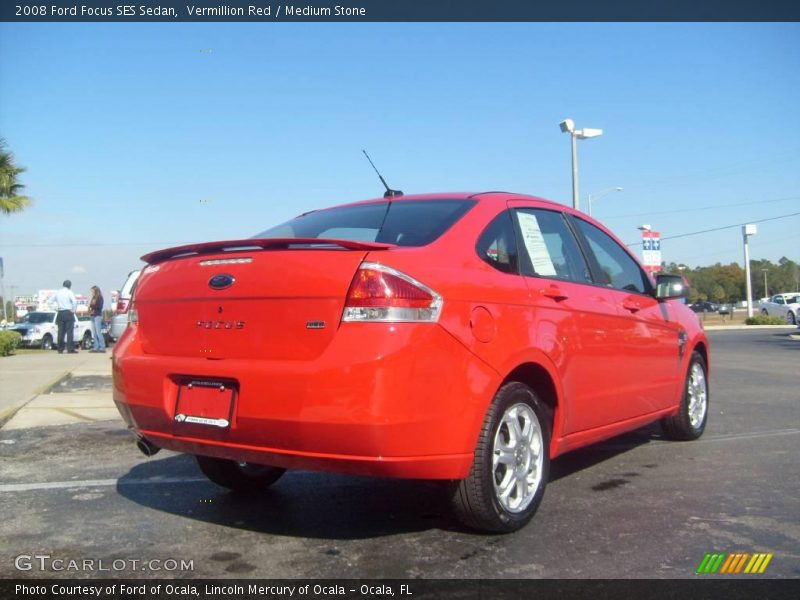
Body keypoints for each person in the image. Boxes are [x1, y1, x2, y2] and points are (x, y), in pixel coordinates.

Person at [52, 279, 78, 353]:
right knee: (69, 332)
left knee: (60, 332)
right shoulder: (69, 292)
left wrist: (55, 308)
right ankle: (70, 349)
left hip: (60, 312)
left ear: (63, 285)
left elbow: (49, 301)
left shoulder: (58, 292)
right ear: (69, 286)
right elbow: (74, 301)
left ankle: (60, 349)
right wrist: (73, 310)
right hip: (68, 312)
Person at [88, 285, 106, 353]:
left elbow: (99, 307)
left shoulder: (100, 298)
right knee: (94, 332)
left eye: (92, 291)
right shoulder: (93, 298)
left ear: (96, 291)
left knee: (98, 332)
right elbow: (91, 306)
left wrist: (92, 305)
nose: (91, 292)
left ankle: (102, 347)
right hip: (92, 315)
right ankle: (96, 347)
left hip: (97, 315)